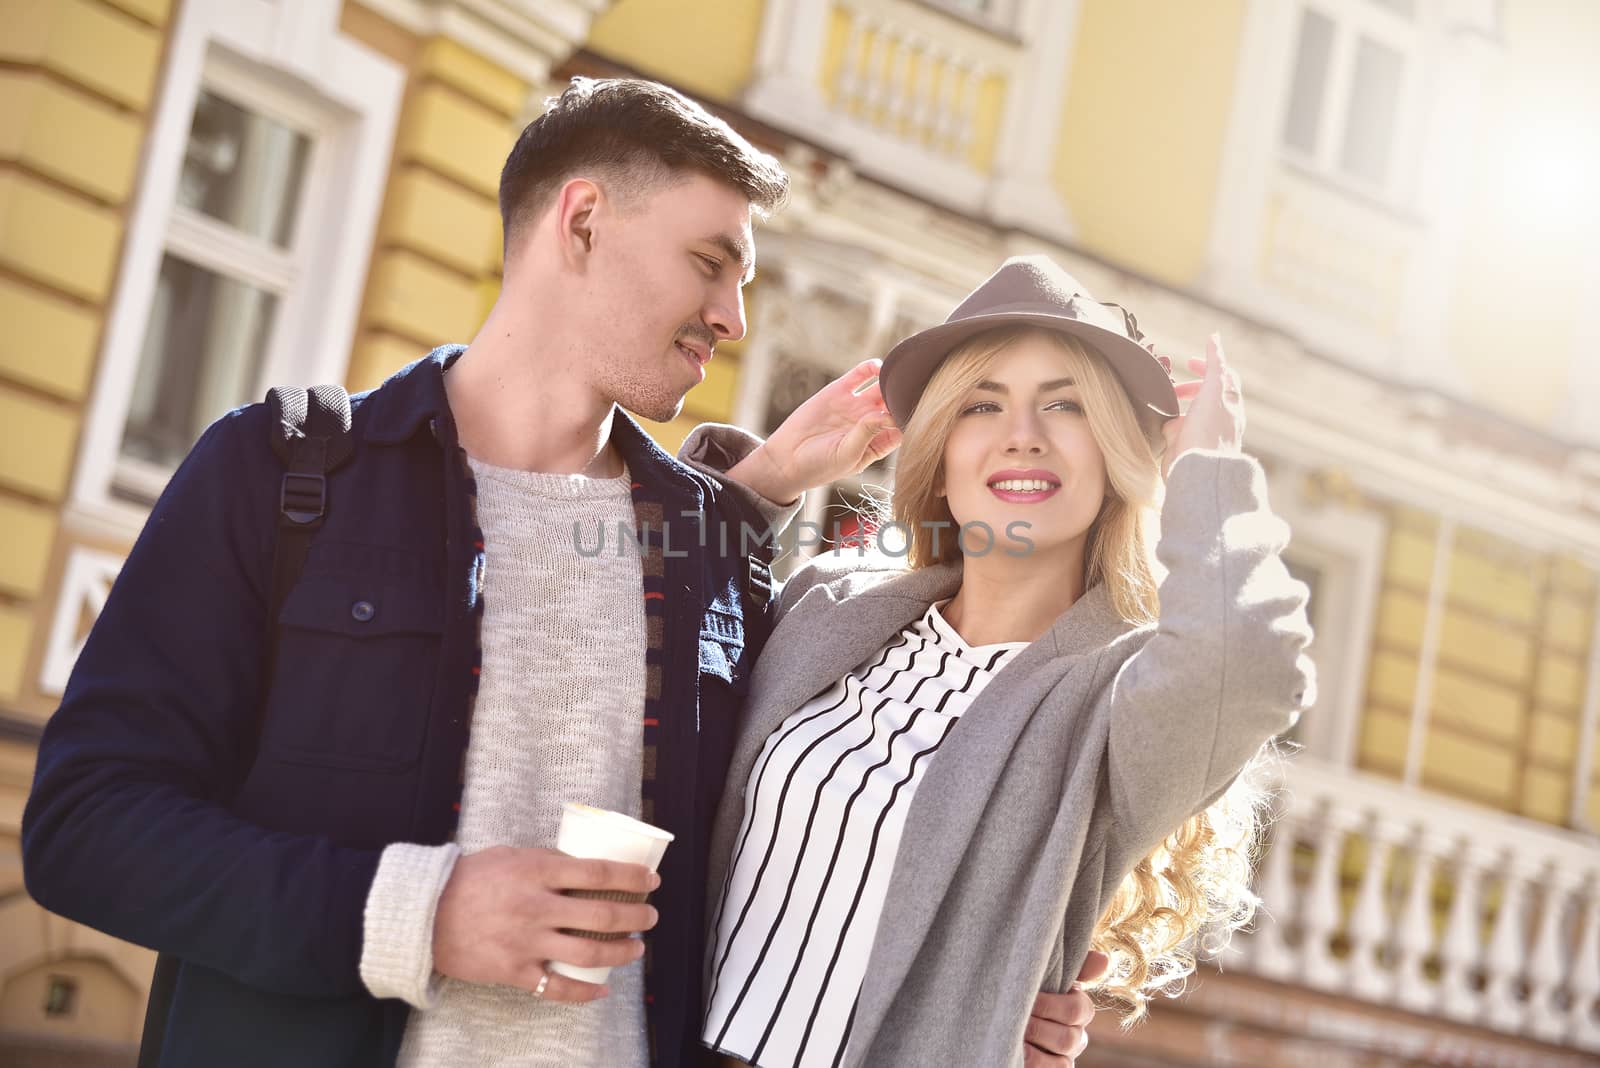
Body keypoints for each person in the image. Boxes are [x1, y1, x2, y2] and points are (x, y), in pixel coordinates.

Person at [20, 80, 1097, 1068]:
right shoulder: (285, 473)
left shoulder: (702, 551)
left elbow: (798, 851)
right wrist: (420, 914)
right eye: (710, 263)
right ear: (580, 222)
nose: (733, 317)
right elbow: (87, 828)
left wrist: (983, 995)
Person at [698, 256, 1316, 1067]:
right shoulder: (826, 603)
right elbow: (657, 674)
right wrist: (763, 483)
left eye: (1066, 405)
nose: (1022, 433)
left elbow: (1252, 667)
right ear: (942, 458)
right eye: (982, 405)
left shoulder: (1116, 706)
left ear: (1114, 463)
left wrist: (1208, 475)